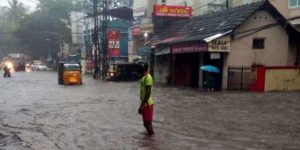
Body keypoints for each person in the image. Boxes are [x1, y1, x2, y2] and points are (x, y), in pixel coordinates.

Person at [137, 62, 154, 135]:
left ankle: (152, 138)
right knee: (145, 123)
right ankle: (150, 139)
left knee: (147, 123)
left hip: (147, 103)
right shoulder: (144, 77)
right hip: (145, 103)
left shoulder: (148, 77)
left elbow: (148, 93)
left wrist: (142, 105)